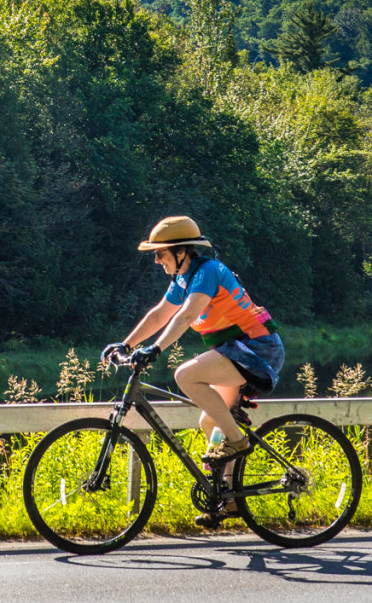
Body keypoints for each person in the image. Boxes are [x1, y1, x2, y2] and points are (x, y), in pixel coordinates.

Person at [102, 216, 284, 524]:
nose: (157, 259)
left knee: (185, 375)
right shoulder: (183, 279)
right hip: (232, 350)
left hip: (257, 349)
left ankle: (238, 441)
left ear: (182, 251)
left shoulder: (207, 272)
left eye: (161, 253)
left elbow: (186, 316)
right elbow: (160, 314)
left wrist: (155, 349)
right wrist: (127, 345)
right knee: (209, 420)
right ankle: (229, 499)